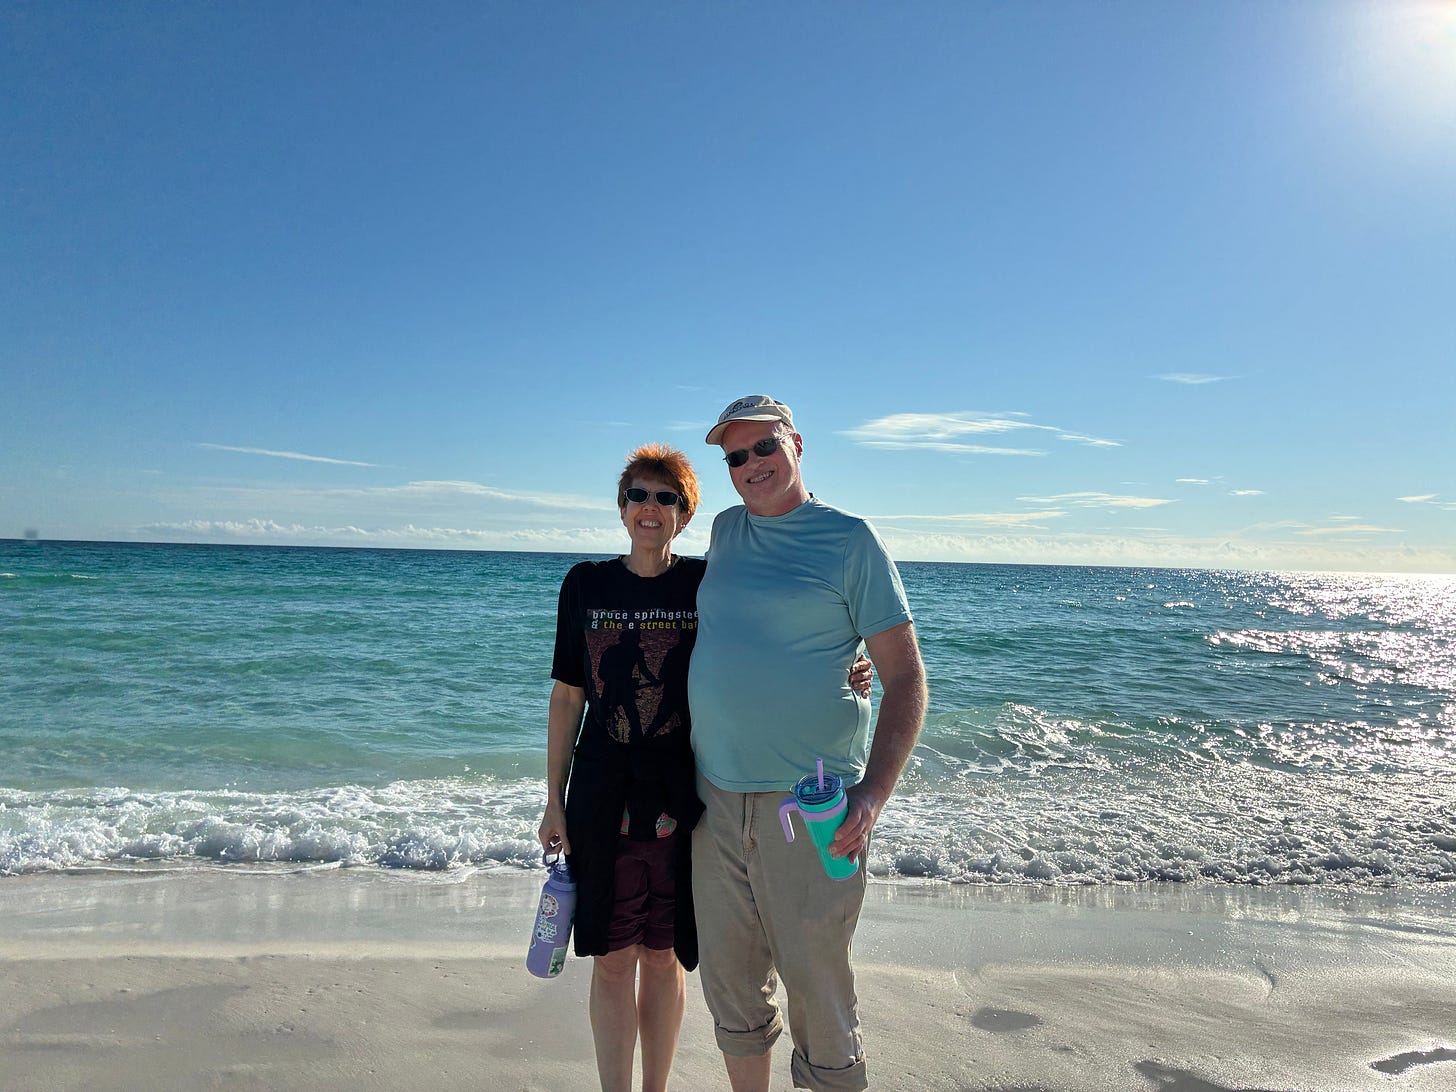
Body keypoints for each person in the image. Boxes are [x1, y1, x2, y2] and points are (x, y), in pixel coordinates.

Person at [538, 442, 873, 1092]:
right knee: (611, 958)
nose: (650, 507)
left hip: (682, 799)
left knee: (663, 956)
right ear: (621, 506)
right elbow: (568, 696)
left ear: (685, 514)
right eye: (638, 494)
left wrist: (845, 664)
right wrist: (553, 799)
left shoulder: (704, 582)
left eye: (667, 498)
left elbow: (770, 641)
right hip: (600, 797)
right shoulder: (584, 584)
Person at [688, 395, 929, 1092]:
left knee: (818, 986)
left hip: (811, 804)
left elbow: (906, 678)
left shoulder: (851, 539)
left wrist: (873, 796)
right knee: (732, 987)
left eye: (764, 446)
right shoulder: (725, 530)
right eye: (735, 456)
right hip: (713, 798)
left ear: (796, 444)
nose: (751, 464)